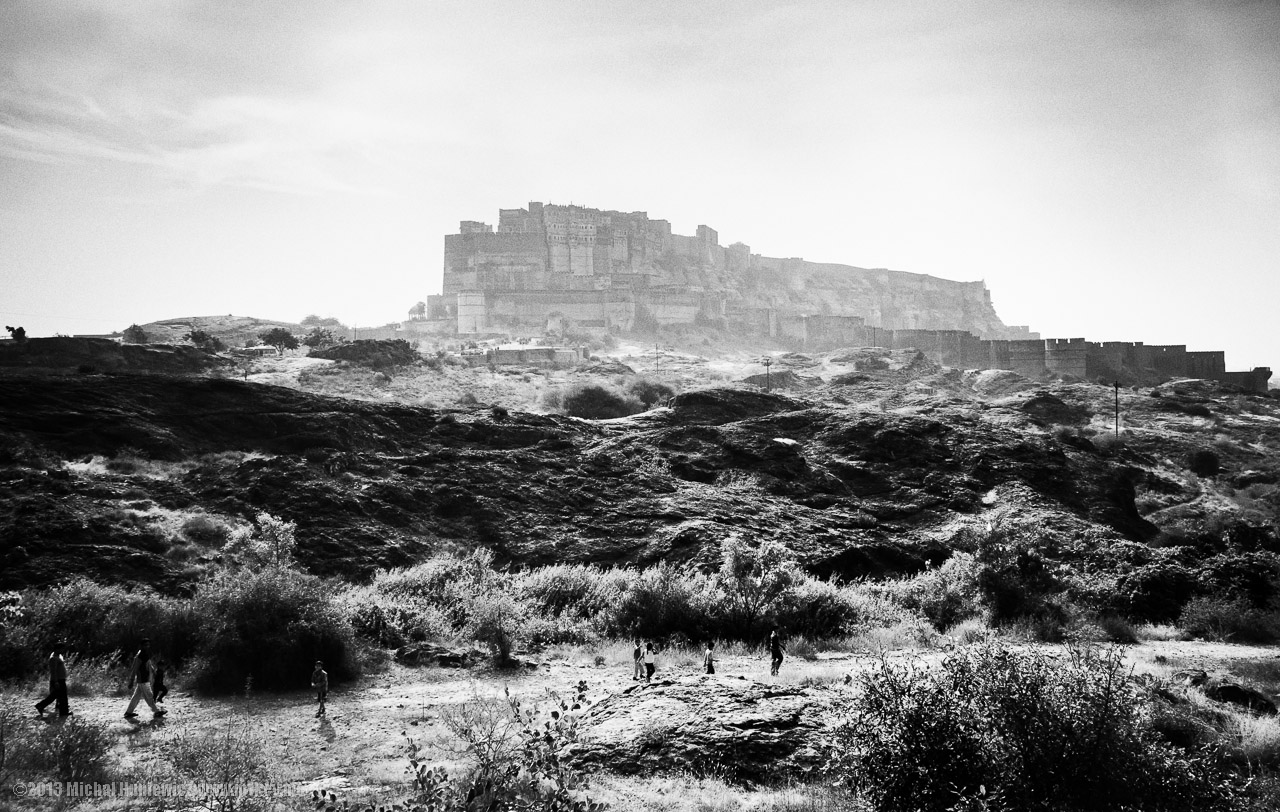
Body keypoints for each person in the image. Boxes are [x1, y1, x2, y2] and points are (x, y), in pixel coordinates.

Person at [125, 638, 165, 718]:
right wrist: (131, 680)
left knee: (136, 697)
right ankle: (156, 711)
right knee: (149, 696)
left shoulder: (145, 654)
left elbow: (149, 664)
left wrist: (154, 672)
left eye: (148, 645)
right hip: (142, 679)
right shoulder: (139, 656)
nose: (147, 646)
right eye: (145, 645)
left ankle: (128, 712)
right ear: (141, 646)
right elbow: (135, 668)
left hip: (145, 679)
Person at [35, 642, 70, 717]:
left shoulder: (59, 656)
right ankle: (40, 706)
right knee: (55, 696)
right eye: (61, 649)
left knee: (60, 696)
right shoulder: (53, 658)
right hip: (57, 680)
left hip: (61, 679)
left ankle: (64, 711)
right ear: (57, 649)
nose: (63, 650)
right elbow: (53, 671)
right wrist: (56, 682)